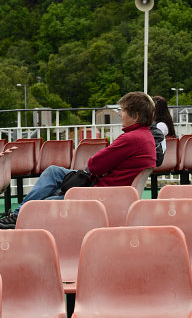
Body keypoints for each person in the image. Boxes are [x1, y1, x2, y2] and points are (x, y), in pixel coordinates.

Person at [0, 91, 157, 229]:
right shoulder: (145, 137)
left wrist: (97, 163)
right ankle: (18, 214)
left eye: (122, 111)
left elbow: (94, 165)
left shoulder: (131, 138)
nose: (120, 114)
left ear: (135, 115)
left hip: (100, 193)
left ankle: (19, 216)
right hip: (109, 189)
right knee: (53, 171)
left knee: (45, 201)